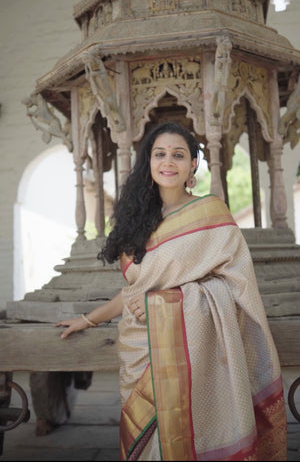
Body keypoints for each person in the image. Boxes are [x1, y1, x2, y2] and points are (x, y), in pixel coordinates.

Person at [55, 121, 287, 461]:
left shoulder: (210, 213)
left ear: (193, 164)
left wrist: (162, 304)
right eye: (159, 154)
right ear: (148, 162)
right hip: (142, 346)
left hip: (194, 351)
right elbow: (136, 290)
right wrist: (87, 320)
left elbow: (237, 285)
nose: (168, 162)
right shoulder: (137, 221)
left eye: (178, 155)